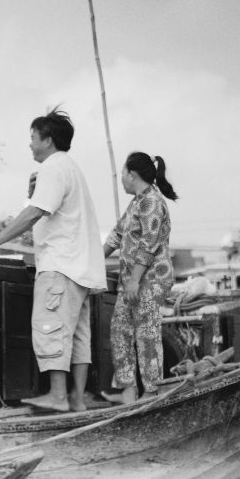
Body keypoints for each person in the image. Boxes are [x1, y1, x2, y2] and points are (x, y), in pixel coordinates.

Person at [0, 106, 106, 412]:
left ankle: (57, 396)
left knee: (50, 328)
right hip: (81, 270)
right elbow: (44, 209)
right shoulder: (69, 168)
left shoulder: (53, 167)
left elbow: (35, 212)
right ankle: (76, 398)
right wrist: (32, 194)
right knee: (77, 336)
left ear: (47, 139)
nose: (30, 144)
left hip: (60, 266)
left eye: (33, 137)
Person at [101, 152, 177, 405]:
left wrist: (133, 281)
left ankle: (152, 393)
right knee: (119, 330)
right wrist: (93, 260)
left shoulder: (153, 202)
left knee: (146, 333)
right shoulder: (137, 202)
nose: (121, 178)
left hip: (151, 279)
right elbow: (115, 236)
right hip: (132, 281)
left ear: (132, 174)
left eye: (123, 173)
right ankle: (127, 391)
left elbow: (148, 245)